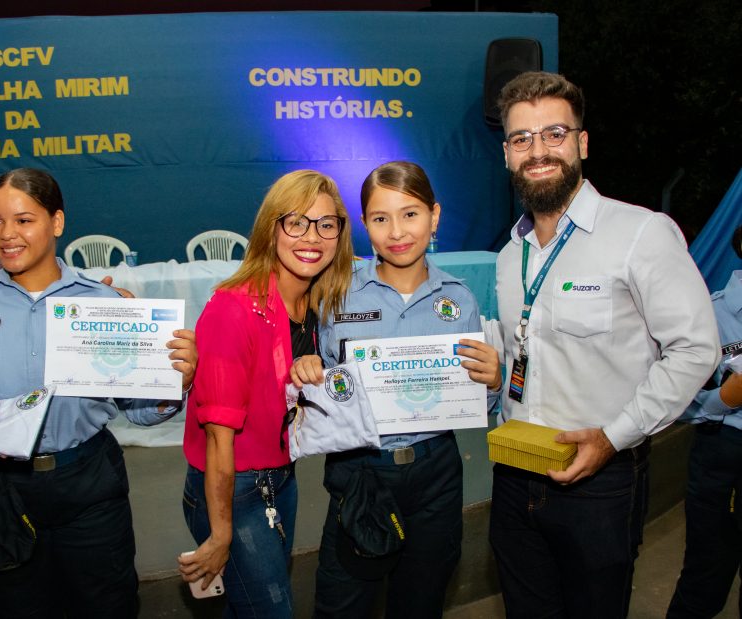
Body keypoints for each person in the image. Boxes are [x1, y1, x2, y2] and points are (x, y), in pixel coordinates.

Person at [0, 167, 197, 618]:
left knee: (107, 606)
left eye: (24, 220)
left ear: (57, 223)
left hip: (86, 483)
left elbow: (138, 412)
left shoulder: (103, 305)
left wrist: (174, 384)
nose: (7, 235)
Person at [488, 71, 721, 619]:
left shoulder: (640, 232)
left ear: (582, 143)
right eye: (522, 139)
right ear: (506, 154)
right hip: (515, 479)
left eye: (554, 134)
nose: (538, 151)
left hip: (600, 485)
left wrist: (614, 438)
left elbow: (695, 349)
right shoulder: (508, 255)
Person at [289, 161, 502, 618]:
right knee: (342, 603)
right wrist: (305, 370)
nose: (397, 231)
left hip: (436, 474)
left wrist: (492, 381)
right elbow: (318, 379)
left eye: (410, 214)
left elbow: (473, 402)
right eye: (380, 218)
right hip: (360, 471)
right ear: (364, 224)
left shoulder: (460, 299)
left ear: (435, 216)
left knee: (422, 602)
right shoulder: (335, 291)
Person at [177, 169, 354, 617]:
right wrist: (220, 535)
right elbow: (219, 436)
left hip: (282, 478)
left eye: (326, 224)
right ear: (270, 228)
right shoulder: (234, 307)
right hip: (232, 486)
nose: (311, 237)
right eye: (296, 221)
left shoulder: (314, 303)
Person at [667, 225, 742, 618]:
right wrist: (725, 399)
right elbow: (675, 401)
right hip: (724, 452)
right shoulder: (711, 314)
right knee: (706, 573)